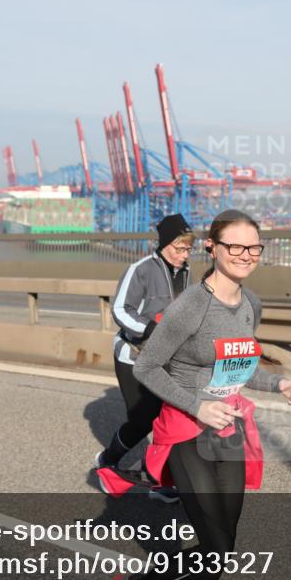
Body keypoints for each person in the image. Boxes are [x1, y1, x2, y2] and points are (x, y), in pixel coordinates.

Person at [109, 210, 291, 580]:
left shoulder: (251, 304)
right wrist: (198, 405)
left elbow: (238, 365)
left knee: (223, 547)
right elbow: (146, 366)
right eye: (234, 246)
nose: (245, 255)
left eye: (253, 247)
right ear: (213, 248)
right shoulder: (189, 308)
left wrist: (278, 383)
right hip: (184, 430)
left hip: (228, 428)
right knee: (215, 543)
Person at [94, 214, 195, 503]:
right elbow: (120, 311)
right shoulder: (140, 270)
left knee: (171, 418)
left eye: (188, 249)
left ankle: (161, 481)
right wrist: (152, 328)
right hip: (134, 356)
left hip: (168, 358)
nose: (184, 255)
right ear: (164, 245)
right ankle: (107, 459)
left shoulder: (186, 273)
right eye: (179, 248)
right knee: (143, 420)